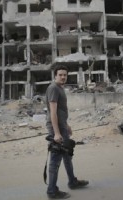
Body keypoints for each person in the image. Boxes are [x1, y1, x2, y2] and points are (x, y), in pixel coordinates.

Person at [45, 65, 89, 199]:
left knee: (67, 156)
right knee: (55, 159)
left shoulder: (59, 88)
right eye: (60, 75)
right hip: (56, 128)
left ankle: (72, 181)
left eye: (65, 75)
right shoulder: (53, 88)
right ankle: (52, 191)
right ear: (55, 75)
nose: (63, 77)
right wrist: (57, 133)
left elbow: (60, 111)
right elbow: (52, 112)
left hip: (62, 126)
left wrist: (66, 125)